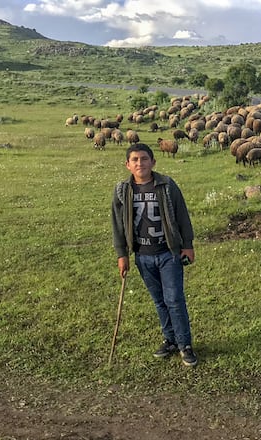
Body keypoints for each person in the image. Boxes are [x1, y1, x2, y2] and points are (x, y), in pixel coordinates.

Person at [111, 143, 197, 367]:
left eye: (144, 159)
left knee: (174, 299)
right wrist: (123, 254)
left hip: (168, 252)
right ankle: (170, 339)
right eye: (135, 160)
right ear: (128, 165)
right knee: (159, 301)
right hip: (142, 255)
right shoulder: (123, 191)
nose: (140, 163)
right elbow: (118, 225)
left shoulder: (166, 185)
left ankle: (184, 344)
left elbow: (181, 214)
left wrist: (187, 244)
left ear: (153, 162)